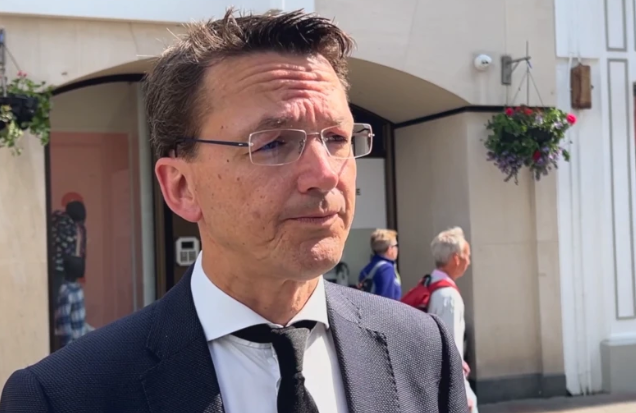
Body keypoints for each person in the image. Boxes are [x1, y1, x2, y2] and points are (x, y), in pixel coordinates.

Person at [0, 9, 467, 413]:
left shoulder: (421, 349)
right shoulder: (65, 396)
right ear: (182, 187)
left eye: (337, 139)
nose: (324, 174)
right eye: (275, 143)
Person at [426, 227, 478, 413]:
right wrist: (462, 393)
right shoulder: (449, 297)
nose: (468, 261)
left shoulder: (429, 283)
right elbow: (452, 348)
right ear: (456, 258)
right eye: (467, 255)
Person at [358, 228, 402, 299]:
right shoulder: (387, 269)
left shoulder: (368, 268)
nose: (397, 248)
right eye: (396, 245)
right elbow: (387, 301)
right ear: (390, 249)